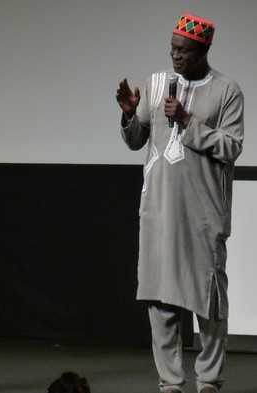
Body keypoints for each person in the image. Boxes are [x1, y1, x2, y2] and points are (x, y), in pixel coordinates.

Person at [115, 13, 244, 393]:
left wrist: (188, 121)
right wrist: (127, 113)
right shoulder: (156, 85)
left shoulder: (226, 91)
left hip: (202, 214)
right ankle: (170, 382)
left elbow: (232, 147)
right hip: (159, 211)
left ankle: (208, 382)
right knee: (161, 303)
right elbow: (138, 140)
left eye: (184, 51)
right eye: (172, 49)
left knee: (208, 303)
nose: (175, 57)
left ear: (203, 50)